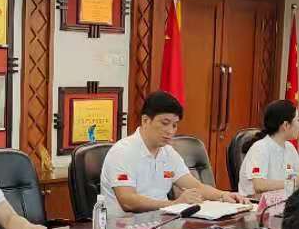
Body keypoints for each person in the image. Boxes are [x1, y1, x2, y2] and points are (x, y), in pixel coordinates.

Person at [99, 90, 247, 217]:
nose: (170, 131)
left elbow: (195, 185)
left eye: (174, 125)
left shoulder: (168, 153)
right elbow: (128, 201)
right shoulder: (123, 152)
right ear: (145, 120)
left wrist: (223, 195)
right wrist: (174, 204)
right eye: (165, 123)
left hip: (160, 224)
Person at [238, 99, 299, 198]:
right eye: (297, 120)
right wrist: (292, 182)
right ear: (286, 125)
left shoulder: (290, 148)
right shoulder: (260, 148)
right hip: (255, 204)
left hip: (282, 202)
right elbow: (259, 185)